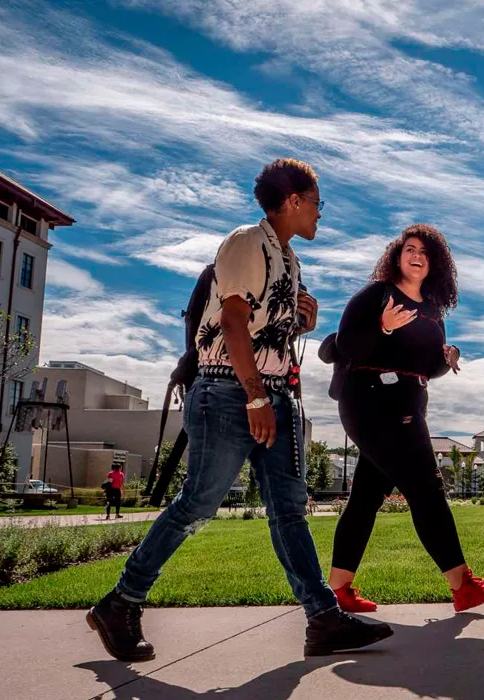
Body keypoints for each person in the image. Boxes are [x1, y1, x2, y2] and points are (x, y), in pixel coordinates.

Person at [86, 159, 392, 663]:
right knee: (199, 504)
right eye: (318, 203)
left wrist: (300, 323)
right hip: (231, 393)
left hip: (269, 393)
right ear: (293, 201)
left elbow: (261, 332)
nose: (321, 214)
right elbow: (231, 323)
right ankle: (120, 603)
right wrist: (254, 397)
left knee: (289, 509)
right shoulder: (247, 241)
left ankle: (322, 618)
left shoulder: (289, 260)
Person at [322, 224, 484, 614]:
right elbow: (347, 345)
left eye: (425, 251)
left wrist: (445, 357)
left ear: (435, 262)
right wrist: (383, 326)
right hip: (370, 400)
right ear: (397, 255)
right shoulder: (376, 294)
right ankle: (462, 585)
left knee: (366, 498)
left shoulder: (433, 309)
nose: (416, 255)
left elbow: (425, 364)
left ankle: (337, 589)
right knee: (426, 489)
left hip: (408, 403)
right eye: (409, 248)